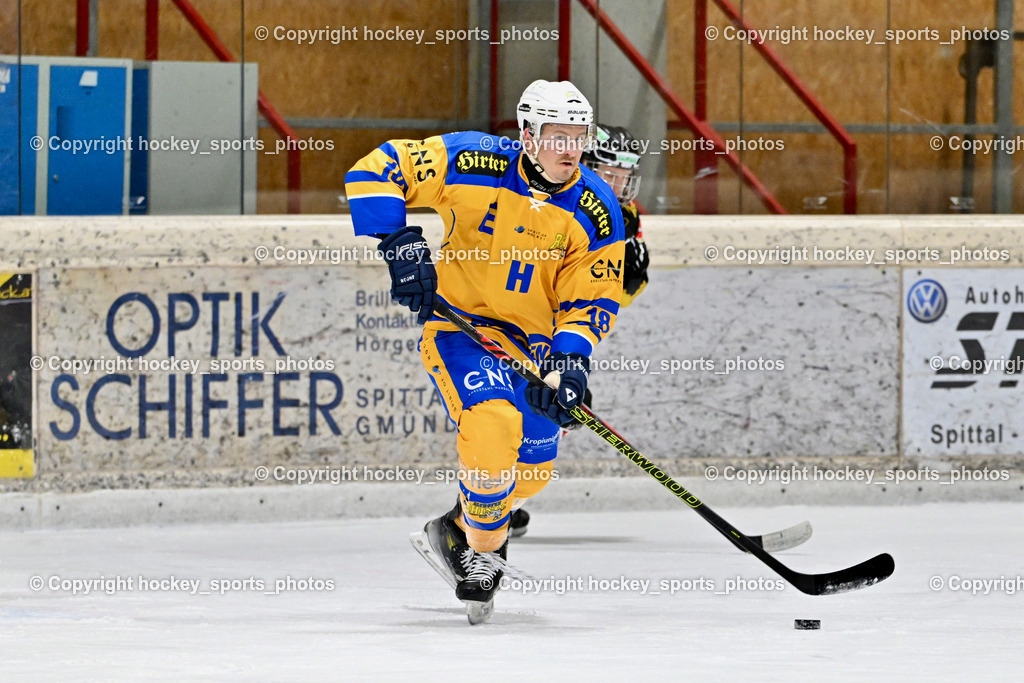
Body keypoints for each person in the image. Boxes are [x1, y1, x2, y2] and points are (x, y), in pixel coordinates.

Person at [345, 80, 625, 622]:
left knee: (534, 472)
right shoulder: (471, 157)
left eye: (579, 137)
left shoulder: (597, 207)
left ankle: (456, 527)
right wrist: (398, 243)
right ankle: (485, 552)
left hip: (535, 349)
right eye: (556, 136)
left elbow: (590, 295)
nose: (570, 150)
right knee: (492, 424)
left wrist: (569, 362)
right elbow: (375, 169)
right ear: (526, 134)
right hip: (462, 331)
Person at [508, 123, 650, 539]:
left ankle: (503, 500)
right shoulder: (556, 199)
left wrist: (631, 281)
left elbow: (609, 296)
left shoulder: (625, 213)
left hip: (564, 332)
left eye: (625, 175)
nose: (618, 183)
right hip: (522, 322)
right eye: (609, 173)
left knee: (551, 413)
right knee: (510, 412)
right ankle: (486, 501)